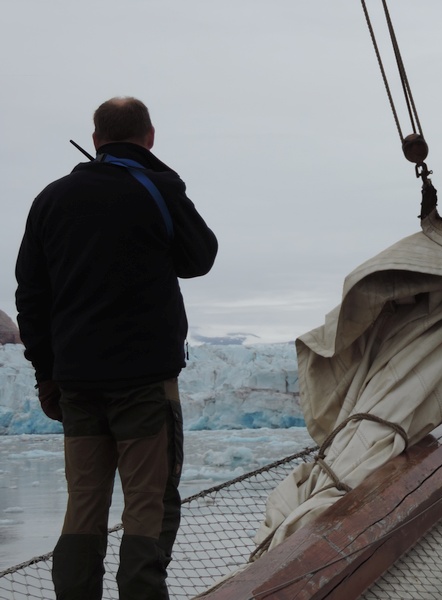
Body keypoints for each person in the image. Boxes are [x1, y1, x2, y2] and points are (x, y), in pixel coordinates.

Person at [14, 96, 218, 600]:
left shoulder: (50, 199)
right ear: (149, 137)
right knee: (149, 504)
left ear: (97, 138)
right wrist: (161, 180)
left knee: (83, 505)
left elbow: (30, 297)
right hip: (144, 383)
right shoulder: (155, 187)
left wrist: (47, 374)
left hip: (77, 382)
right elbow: (200, 257)